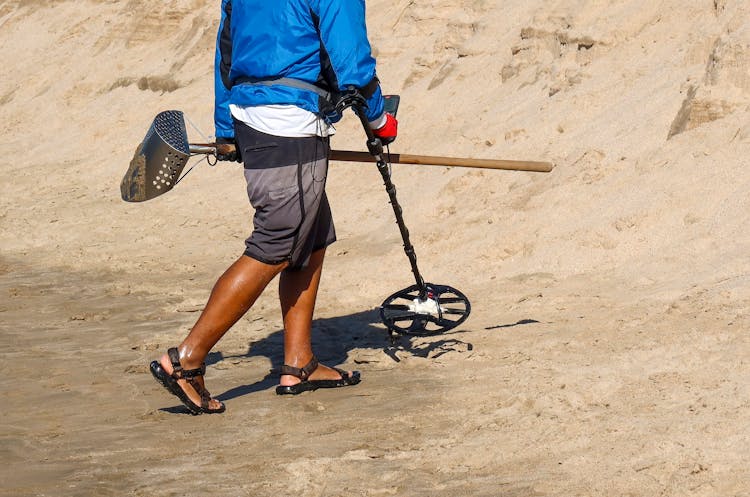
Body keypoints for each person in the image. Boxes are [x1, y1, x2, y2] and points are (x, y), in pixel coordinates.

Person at [149, 0, 398, 414]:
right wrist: (380, 122)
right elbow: (352, 63)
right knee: (278, 241)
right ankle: (186, 360)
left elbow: (225, 52)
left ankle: (299, 362)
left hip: (251, 114)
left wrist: (226, 129)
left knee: (313, 233)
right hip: (291, 122)